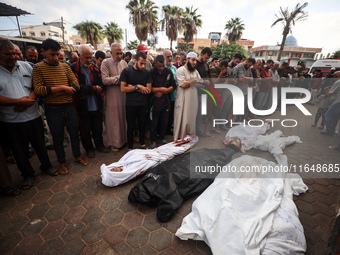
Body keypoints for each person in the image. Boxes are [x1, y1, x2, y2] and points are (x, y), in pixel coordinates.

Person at [0, 38, 57, 190]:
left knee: (40, 144)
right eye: (7, 54)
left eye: (14, 53)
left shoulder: (27, 67)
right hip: (11, 121)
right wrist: (17, 102)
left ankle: (46, 166)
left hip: (33, 115)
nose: (13, 57)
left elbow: (39, 85)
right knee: (19, 150)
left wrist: (30, 99)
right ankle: (27, 175)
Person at [33, 38, 89, 175]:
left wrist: (52, 92)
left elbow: (75, 86)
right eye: (52, 54)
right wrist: (63, 88)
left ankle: (77, 156)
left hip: (69, 106)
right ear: (43, 52)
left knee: (74, 133)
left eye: (58, 54)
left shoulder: (65, 67)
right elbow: (39, 90)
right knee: (57, 137)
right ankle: (61, 162)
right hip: (53, 109)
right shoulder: (38, 68)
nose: (56, 57)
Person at [71, 45, 109, 158]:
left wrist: (89, 91)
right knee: (85, 129)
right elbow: (77, 87)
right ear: (79, 56)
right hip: (82, 106)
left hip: (96, 104)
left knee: (98, 127)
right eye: (85, 58)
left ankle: (100, 145)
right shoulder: (73, 69)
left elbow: (102, 84)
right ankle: (89, 148)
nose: (88, 60)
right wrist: (93, 89)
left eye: (90, 57)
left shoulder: (95, 69)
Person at [120, 51, 152, 150]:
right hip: (130, 104)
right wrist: (138, 87)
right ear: (135, 61)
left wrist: (131, 86)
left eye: (144, 64)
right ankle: (130, 147)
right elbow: (123, 89)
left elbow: (148, 90)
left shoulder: (147, 72)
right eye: (141, 63)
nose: (143, 66)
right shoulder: (127, 71)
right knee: (131, 126)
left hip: (143, 103)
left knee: (142, 125)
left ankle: (142, 144)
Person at [101, 43, 128, 151]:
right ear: (111, 53)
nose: (120, 55)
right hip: (112, 96)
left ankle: (124, 140)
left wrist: (114, 78)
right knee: (113, 119)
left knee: (123, 117)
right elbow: (105, 80)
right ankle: (114, 143)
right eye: (117, 53)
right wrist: (120, 78)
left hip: (123, 95)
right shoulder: (105, 63)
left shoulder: (124, 63)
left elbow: (127, 79)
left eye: (121, 53)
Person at [173, 52, 202, 141]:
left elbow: (201, 83)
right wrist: (194, 81)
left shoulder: (195, 71)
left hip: (193, 99)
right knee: (182, 119)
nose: (194, 63)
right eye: (193, 60)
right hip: (183, 100)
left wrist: (191, 81)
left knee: (192, 118)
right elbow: (183, 85)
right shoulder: (180, 70)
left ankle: (189, 139)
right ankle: (180, 138)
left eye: (195, 61)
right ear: (187, 59)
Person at [149, 55, 176, 148]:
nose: (161, 68)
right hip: (154, 103)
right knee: (154, 123)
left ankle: (161, 138)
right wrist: (159, 89)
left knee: (164, 122)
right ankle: (152, 140)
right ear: (155, 63)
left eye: (163, 65)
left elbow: (173, 85)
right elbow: (148, 89)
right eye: (159, 66)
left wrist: (166, 90)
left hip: (166, 102)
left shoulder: (168, 71)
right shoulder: (151, 72)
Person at [195, 47, 214, 136]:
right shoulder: (195, 64)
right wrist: (202, 81)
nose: (207, 60)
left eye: (208, 58)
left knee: (200, 113)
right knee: (194, 113)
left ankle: (198, 130)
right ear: (201, 54)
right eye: (206, 57)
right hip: (195, 92)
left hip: (204, 92)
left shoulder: (206, 65)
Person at [321, 71, 340, 136]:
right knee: (336, 117)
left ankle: (329, 130)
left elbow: (330, 93)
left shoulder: (338, 82)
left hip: (337, 102)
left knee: (328, 115)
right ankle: (332, 130)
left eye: (334, 77)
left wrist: (323, 97)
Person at [163, 50, 177, 135]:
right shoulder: (161, 67)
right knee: (164, 115)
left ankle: (168, 129)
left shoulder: (174, 68)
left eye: (171, 56)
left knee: (171, 114)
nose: (170, 58)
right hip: (164, 95)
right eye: (168, 57)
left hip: (173, 95)